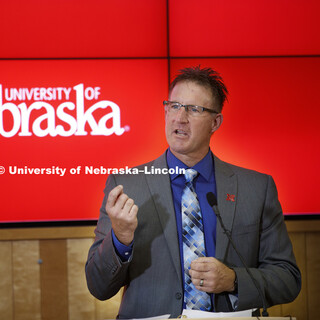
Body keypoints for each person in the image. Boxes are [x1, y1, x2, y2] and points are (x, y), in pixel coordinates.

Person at [85, 66, 301, 319]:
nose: (180, 118)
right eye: (174, 106)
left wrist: (234, 280)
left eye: (194, 109)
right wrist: (120, 238)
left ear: (215, 122)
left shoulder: (256, 188)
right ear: (165, 112)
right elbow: (98, 286)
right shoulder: (126, 185)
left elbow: (288, 279)